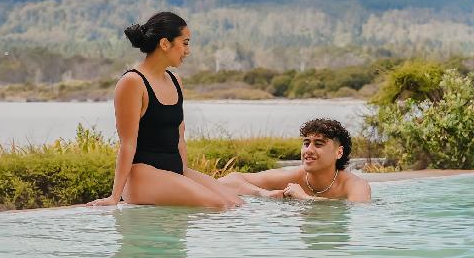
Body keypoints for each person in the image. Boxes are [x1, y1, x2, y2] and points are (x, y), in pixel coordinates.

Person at [87, 12, 243, 208]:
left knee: (236, 203)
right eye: (185, 43)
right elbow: (127, 144)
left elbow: (180, 136)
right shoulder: (133, 82)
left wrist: (184, 174)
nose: (188, 50)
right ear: (164, 44)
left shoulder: (175, 80)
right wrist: (114, 197)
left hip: (173, 171)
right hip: (143, 177)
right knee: (217, 204)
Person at [220, 118, 371, 203]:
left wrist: (304, 198)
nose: (308, 150)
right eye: (306, 143)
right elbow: (228, 180)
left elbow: (358, 209)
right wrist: (263, 194)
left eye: (318, 144)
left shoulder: (355, 185)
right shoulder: (293, 177)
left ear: (339, 152)